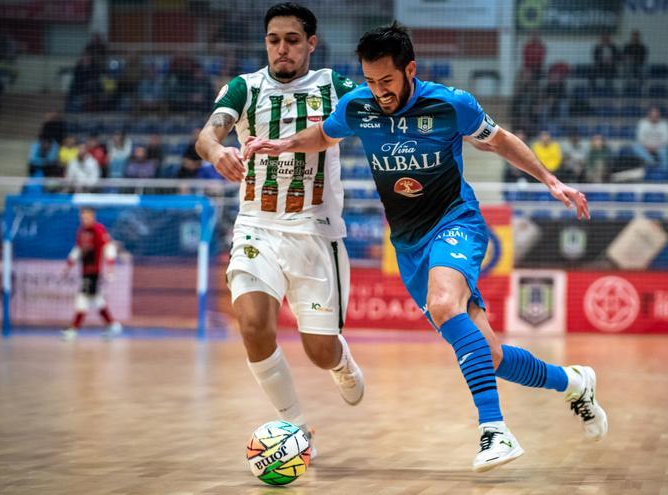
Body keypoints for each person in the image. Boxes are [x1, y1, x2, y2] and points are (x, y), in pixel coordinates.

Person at [244, 21, 607, 473]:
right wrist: (282, 144)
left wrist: (551, 181)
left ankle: (494, 430)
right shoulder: (358, 105)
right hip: (408, 242)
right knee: (488, 354)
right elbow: (323, 134)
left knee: (442, 303)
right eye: (371, 81)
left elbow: (502, 142)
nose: (379, 91)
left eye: (387, 81)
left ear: (409, 69)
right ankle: (574, 383)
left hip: (456, 221)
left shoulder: (451, 104)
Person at [195, 2, 365, 458]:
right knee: (252, 324)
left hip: (316, 232)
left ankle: (341, 361)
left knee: (319, 352)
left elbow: (382, 107)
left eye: (292, 40)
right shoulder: (244, 88)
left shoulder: (335, 85)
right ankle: (296, 431)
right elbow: (208, 135)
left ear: (311, 43)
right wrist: (217, 154)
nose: (282, 49)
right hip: (257, 227)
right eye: (274, 40)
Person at [61, 207, 122, 341]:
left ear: (93, 217)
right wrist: (68, 266)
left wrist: (110, 267)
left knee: (82, 298)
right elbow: (77, 250)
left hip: (94, 271)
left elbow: (109, 247)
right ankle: (112, 325)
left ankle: (74, 329)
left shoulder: (98, 230)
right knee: (96, 300)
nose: (84, 219)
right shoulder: (81, 231)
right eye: (82, 217)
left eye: (87, 217)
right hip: (84, 270)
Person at [632, 106, 668, 171]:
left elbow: (666, 139)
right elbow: (640, 138)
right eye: (652, 115)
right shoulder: (642, 123)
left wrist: (656, 147)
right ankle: (652, 162)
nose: (654, 117)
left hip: (660, 147)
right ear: (649, 115)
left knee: (665, 150)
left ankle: (665, 170)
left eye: (656, 115)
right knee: (635, 147)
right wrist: (648, 146)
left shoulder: (664, 124)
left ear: (659, 115)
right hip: (646, 146)